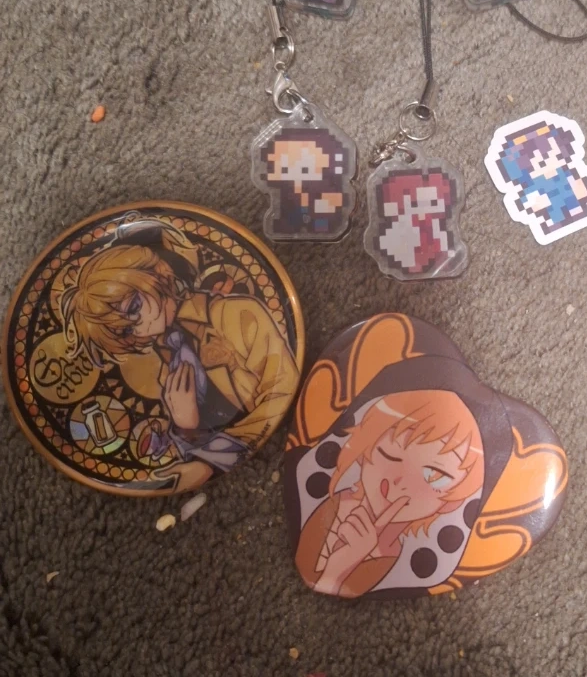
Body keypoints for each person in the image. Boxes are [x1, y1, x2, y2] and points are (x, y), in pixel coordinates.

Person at [60, 221, 299, 490]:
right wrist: (186, 427)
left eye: (134, 306)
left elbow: (281, 392)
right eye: (125, 330)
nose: (140, 327)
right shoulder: (169, 370)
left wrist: (209, 462)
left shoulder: (237, 314)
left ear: (158, 273)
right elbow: (188, 451)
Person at [295, 390, 484, 597]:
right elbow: (308, 564)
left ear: (452, 502)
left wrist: (342, 568)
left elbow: (334, 584)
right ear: (362, 453)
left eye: (434, 476)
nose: (398, 482)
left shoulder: (390, 555)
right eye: (389, 455)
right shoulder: (336, 503)